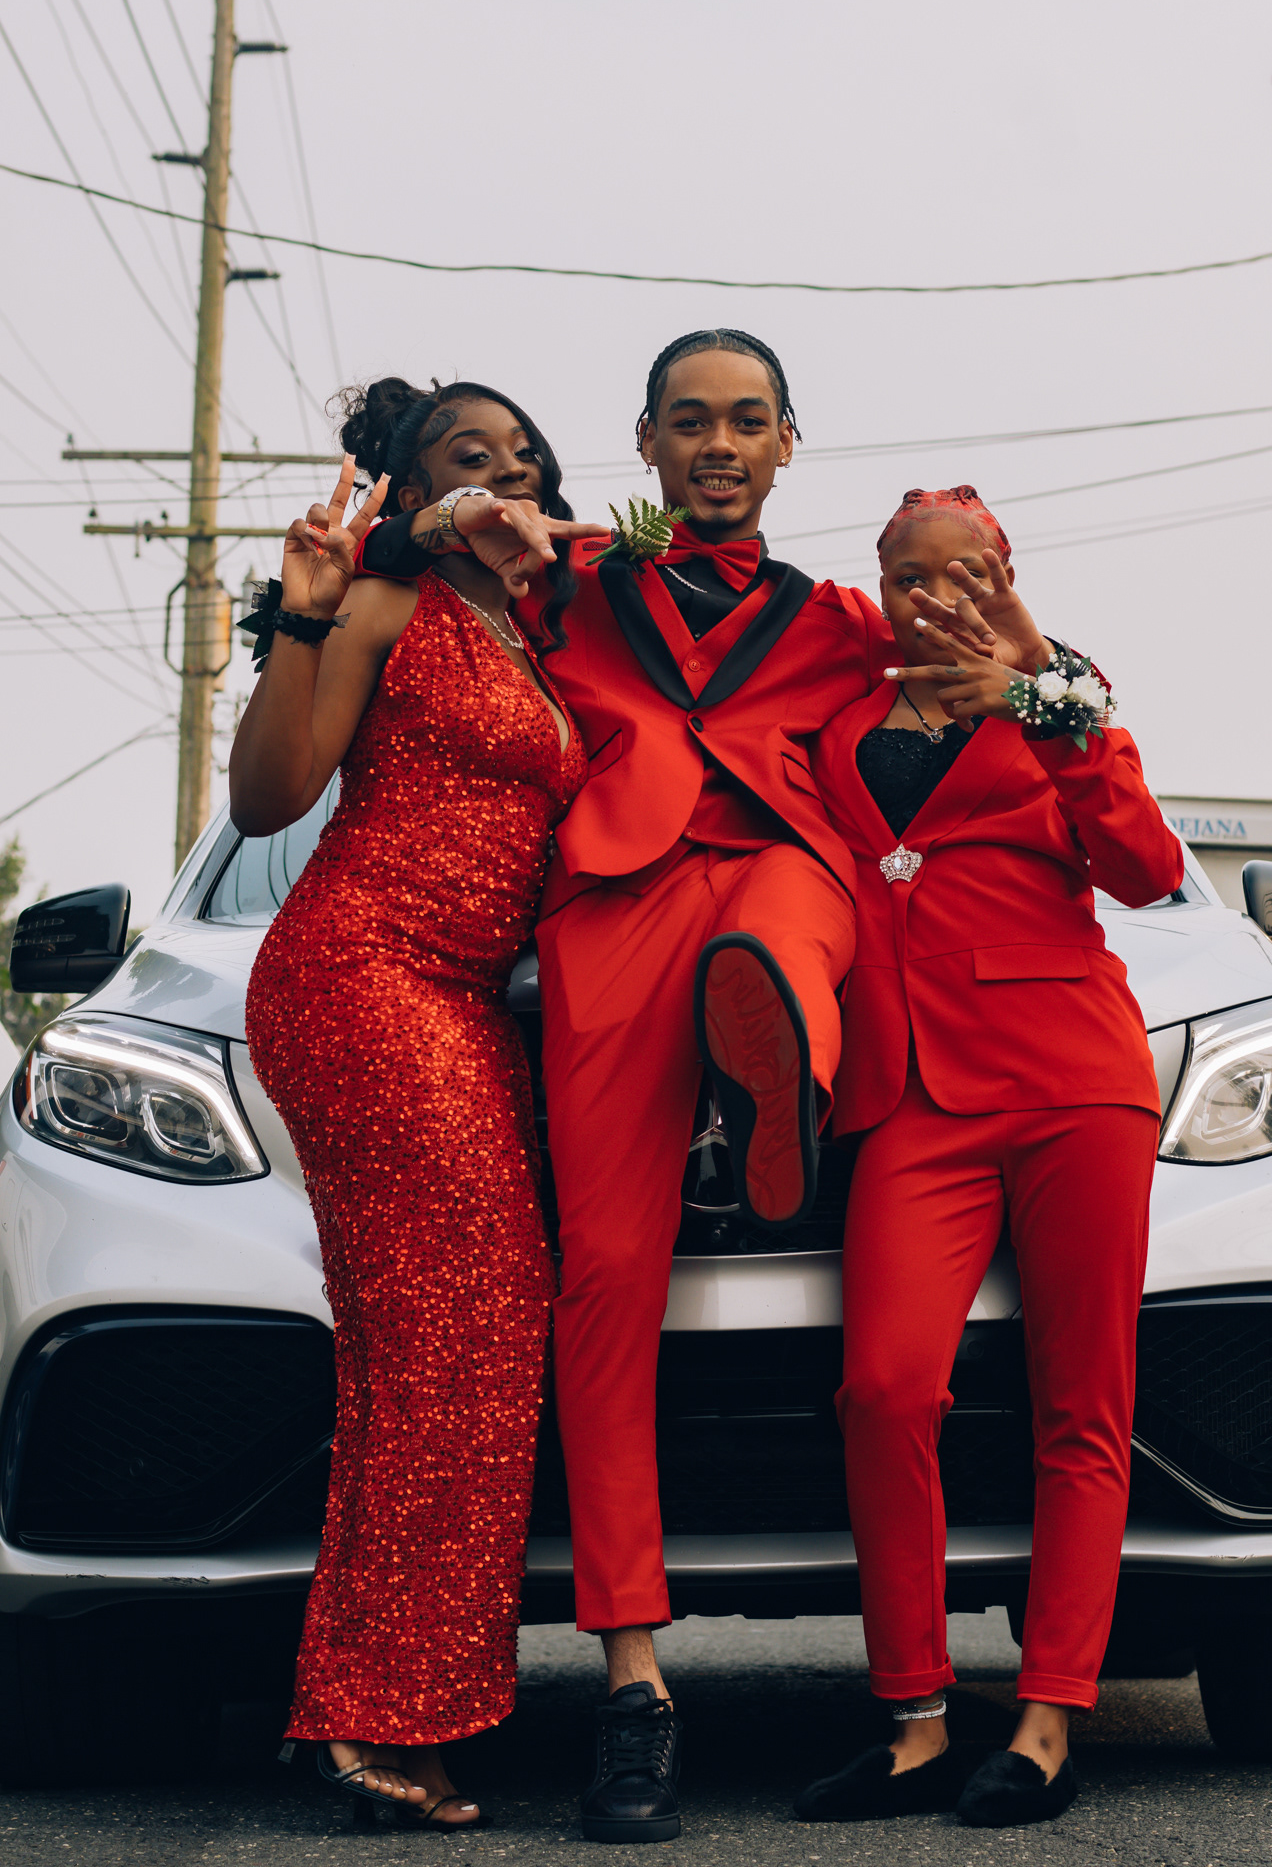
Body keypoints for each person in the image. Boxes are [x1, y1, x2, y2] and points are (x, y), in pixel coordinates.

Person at [350, 329, 895, 1844]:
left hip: (779, 867)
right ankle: (635, 1685)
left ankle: (775, 1075)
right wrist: (479, 512)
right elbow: (400, 548)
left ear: (787, 442)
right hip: (616, 901)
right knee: (600, 1282)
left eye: (747, 422)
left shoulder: (843, 622)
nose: (718, 445)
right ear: (645, 444)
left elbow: (972, 679)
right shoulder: (569, 578)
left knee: (788, 926)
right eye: (689, 422)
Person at [230, 377, 605, 1829]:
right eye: (468, 456)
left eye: (523, 455)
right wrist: (305, 614)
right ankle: (381, 1713)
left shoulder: (542, 629)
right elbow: (270, 798)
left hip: (472, 1006)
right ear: (415, 490)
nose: (506, 473)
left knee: (448, 1348)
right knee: (456, 1340)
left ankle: (373, 1699)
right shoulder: (388, 608)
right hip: (365, 973)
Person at [794, 486, 1184, 1830]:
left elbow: (1145, 869)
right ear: (879, 584)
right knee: (883, 1391)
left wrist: (1046, 698)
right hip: (911, 1095)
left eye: (966, 574)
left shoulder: (1064, 701)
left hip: (1074, 1081)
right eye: (911, 575)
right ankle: (912, 1719)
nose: (937, 598)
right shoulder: (836, 723)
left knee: (1082, 1407)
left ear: (1005, 577)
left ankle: (1047, 1719)